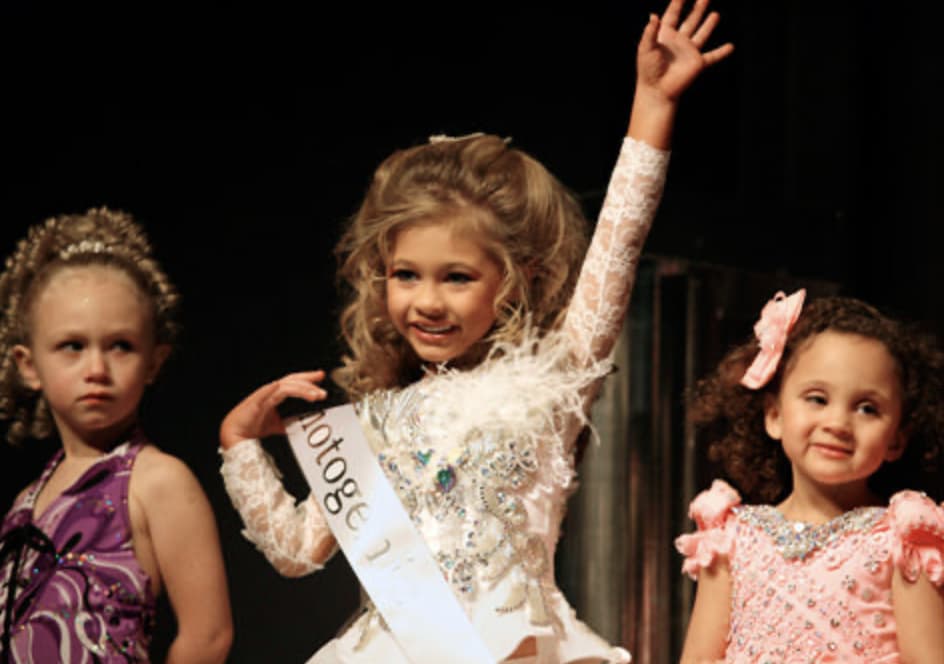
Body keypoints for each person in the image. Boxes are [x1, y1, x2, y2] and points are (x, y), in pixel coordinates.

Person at [218, 1, 732, 661]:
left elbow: (620, 244)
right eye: (406, 275)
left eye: (456, 277)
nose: (427, 302)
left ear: (512, 281)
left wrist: (652, 105)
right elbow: (296, 550)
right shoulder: (371, 424)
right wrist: (238, 444)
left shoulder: (549, 385)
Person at [0, 208, 233, 662]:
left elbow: (208, 636)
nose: (96, 369)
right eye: (72, 346)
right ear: (28, 365)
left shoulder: (157, 481)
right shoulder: (25, 503)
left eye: (120, 346)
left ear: (154, 362)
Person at [676, 291, 944, 663]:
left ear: (897, 438)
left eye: (867, 408)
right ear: (774, 415)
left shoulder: (904, 539)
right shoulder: (729, 538)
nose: (837, 424)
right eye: (817, 399)